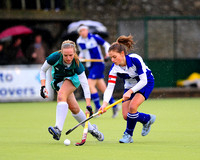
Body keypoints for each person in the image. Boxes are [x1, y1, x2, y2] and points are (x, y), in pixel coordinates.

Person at [40, 40, 104, 141]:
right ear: (61, 52)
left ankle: (58, 129)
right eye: (65, 55)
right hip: (59, 81)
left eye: (71, 55)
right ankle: (93, 130)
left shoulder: (77, 64)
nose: (68, 58)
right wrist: (43, 86)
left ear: (74, 53)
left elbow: (85, 85)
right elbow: (43, 70)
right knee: (74, 108)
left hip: (72, 79)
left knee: (61, 95)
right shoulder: (54, 57)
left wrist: (88, 105)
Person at [99, 35, 156, 143]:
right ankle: (147, 119)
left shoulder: (135, 59)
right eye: (111, 57)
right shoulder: (114, 69)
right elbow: (109, 88)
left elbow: (143, 81)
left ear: (122, 54)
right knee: (126, 116)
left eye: (114, 57)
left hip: (145, 83)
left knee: (133, 107)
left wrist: (130, 92)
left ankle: (128, 135)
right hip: (129, 86)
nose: (112, 60)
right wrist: (104, 104)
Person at [76, 24, 120, 118]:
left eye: (84, 30)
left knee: (90, 85)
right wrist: (80, 57)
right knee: (103, 88)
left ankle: (97, 107)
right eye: (81, 31)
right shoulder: (79, 41)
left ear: (87, 30)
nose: (83, 32)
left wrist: (108, 55)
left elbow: (106, 44)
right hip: (90, 65)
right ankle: (115, 106)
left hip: (99, 64)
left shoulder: (94, 37)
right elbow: (82, 52)